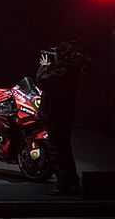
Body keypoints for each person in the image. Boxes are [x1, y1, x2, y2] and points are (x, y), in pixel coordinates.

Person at [36, 41, 88, 195]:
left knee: (57, 151)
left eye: (58, 54)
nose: (55, 57)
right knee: (64, 149)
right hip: (62, 115)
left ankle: (63, 185)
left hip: (57, 116)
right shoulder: (69, 69)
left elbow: (42, 81)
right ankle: (72, 181)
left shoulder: (64, 71)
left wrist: (44, 66)